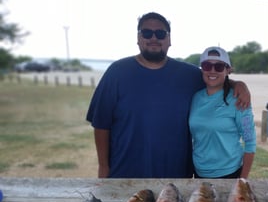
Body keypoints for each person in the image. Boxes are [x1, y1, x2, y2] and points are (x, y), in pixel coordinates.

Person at [86, 12, 250, 178]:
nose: (154, 38)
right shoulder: (117, 72)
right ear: (138, 38)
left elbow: (215, 78)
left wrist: (238, 85)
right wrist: (103, 166)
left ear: (169, 39)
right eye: (147, 33)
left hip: (175, 179)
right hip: (125, 174)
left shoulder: (188, 75)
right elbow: (101, 124)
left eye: (160, 33)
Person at [189, 47, 256, 179]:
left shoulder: (238, 99)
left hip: (229, 173)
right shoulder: (196, 97)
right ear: (202, 69)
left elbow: (250, 142)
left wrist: (242, 180)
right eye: (207, 65)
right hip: (199, 171)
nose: (212, 71)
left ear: (228, 70)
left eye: (219, 66)